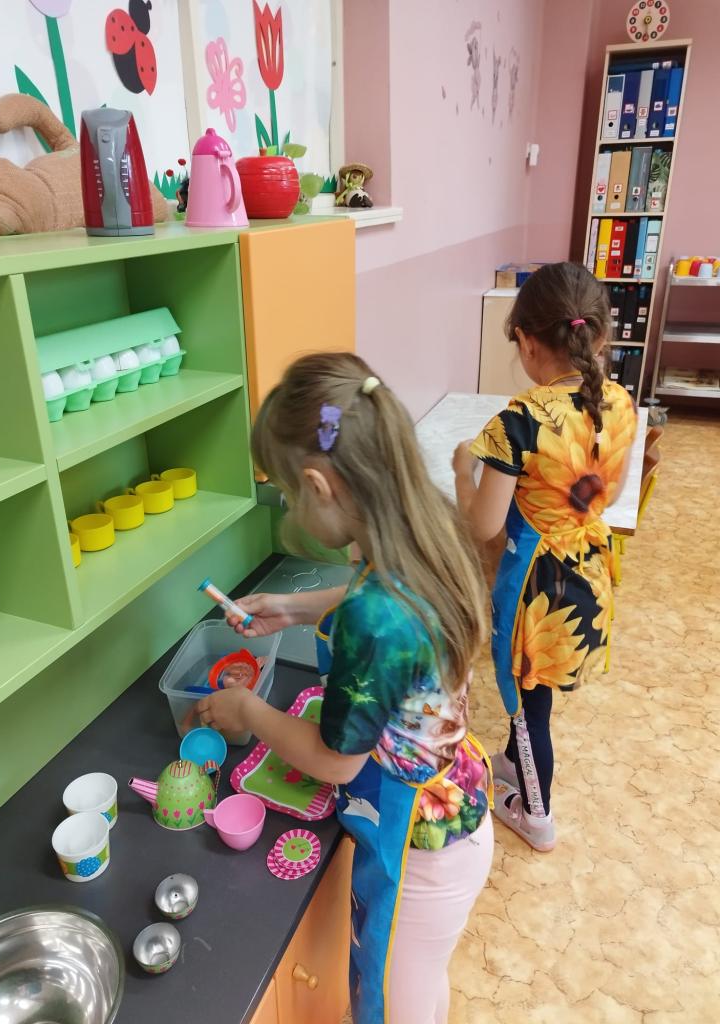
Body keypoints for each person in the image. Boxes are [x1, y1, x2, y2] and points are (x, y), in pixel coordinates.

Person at [192, 353, 493, 1024]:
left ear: (318, 485)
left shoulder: (373, 618)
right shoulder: (423, 528)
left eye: (289, 495)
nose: (293, 509)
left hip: (419, 849)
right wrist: (294, 608)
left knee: (389, 1006)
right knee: (421, 990)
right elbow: (376, 595)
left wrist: (248, 709)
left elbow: (336, 762)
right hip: (456, 804)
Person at [453, 262, 638, 853]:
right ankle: (516, 761)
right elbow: (608, 490)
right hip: (589, 573)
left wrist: (462, 473)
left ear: (527, 342)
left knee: (527, 701)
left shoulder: (521, 420)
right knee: (539, 692)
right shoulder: (619, 402)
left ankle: (537, 814)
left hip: (538, 590)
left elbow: (482, 526)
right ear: (599, 336)